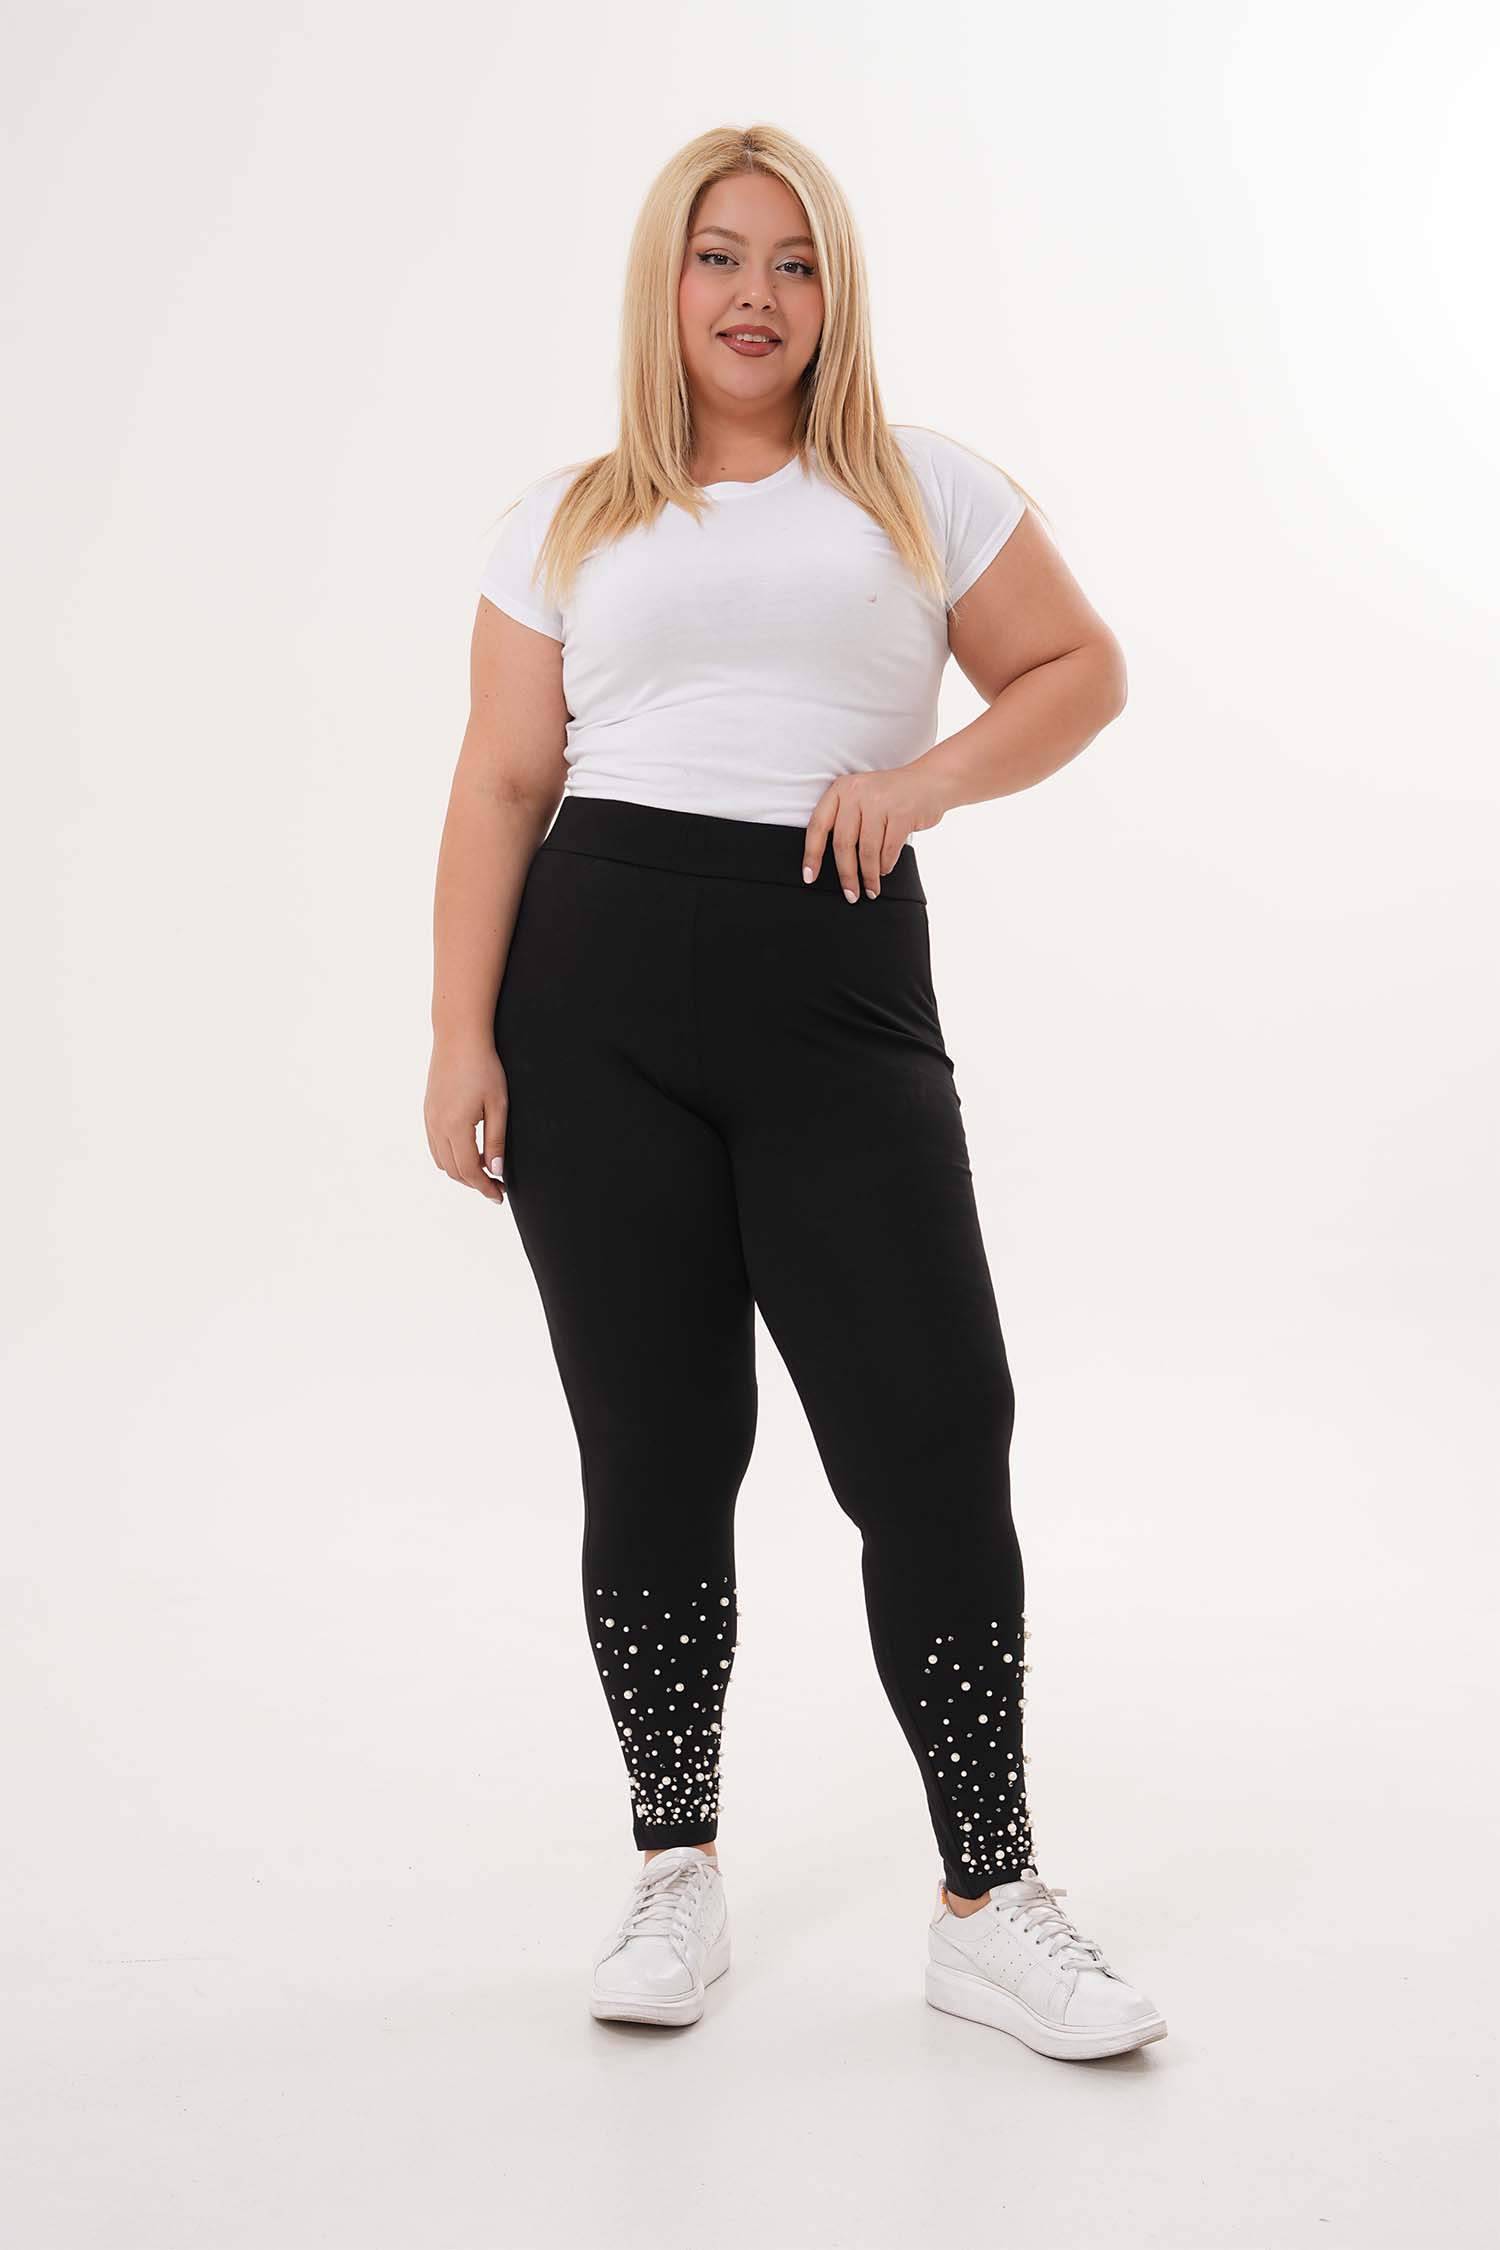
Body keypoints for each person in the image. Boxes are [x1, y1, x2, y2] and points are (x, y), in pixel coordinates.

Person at [425, 122, 1167, 2063]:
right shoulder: (565, 517)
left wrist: (923, 783)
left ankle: (989, 1899)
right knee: (657, 1444)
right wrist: (458, 1033)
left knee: (934, 1428)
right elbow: (503, 779)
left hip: (832, 982)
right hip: (592, 998)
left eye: (794, 261)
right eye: (717, 256)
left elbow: (1078, 670)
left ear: (835, 294)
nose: (754, 294)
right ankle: (673, 1864)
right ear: (663, 286)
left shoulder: (921, 487)